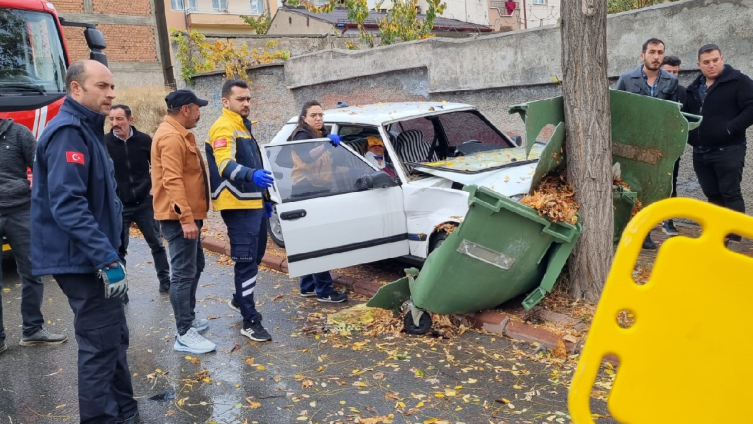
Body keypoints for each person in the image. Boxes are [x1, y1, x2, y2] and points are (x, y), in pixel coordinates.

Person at [31, 60, 138, 424]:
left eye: (112, 87)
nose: (111, 94)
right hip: (84, 262)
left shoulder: (89, 130)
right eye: (102, 86)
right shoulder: (68, 132)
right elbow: (68, 205)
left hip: (96, 257)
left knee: (113, 341)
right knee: (100, 348)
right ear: (76, 88)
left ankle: (127, 413)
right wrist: (106, 259)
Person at [206, 80, 273, 342]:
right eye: (240, 99)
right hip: (237, 205)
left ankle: (239, 299)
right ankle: (249, 320)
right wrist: (252, 175)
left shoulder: (242, 126)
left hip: (252, 203)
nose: (246, 103)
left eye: (248, 99)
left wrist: (264, 198)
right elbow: (225, 165)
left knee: (255, 257)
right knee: (246, 262)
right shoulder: (224, 126)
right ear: (226, 102)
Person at [152, 89, 215, 354]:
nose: (200, 112)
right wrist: (186, 219)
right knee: (182, 273)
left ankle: (188, 317)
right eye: (197, 108)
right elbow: (172, 180)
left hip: (187, 216)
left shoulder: (177, 133)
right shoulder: (170, 136)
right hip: (179, 218)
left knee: (194, 265)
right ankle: (184, 333)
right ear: (186, 109)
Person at [0, 118, 67, 355]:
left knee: (32, 272)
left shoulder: (19, 133)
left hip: (20, 210)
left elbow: (43, 168)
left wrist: (40, 204)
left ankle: (32, 330)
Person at [683, 44, 753, 252]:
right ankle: (718, 236)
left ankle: (735, 240)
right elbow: (686, 115)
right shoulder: (694, 88)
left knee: (730, 194)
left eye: (715, 60)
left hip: (729, 150)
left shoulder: (739, 81)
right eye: (706, 62)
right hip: (701, 152)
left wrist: (730, 128)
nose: (711, 65)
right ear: (699, 65)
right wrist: (689, 136)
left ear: (722, 59)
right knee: (713, 195)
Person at [615, 37, 680, 250]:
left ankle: (645, 233)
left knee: (652, 189)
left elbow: (673, 114)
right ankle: (624, 230)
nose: (656, 56)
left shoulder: (671, 81)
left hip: (656, 146)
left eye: (660, 52)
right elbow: (618, 110)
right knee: (629, 187)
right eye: (652, 52)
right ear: (643, 55)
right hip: (630, 145)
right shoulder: (626, 79)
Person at [106, 104, 171, 297]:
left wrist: (153, 187)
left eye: (119, 119)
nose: (115, 124)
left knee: (157, 245)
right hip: (119, 205)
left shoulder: (144, 140)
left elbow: (158, 165)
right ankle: (122, 291)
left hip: (144, 203)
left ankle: (166, 283)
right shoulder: (104, 142)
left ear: (130, 120)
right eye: (111, 119)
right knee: (118, 251)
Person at [289, 101, 348, 303]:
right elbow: (306, 157)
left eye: (321, 115)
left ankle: (308, 286)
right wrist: (325, 144)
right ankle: (324, 290)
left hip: (318, 190)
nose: (318, 118)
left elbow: (331, 165)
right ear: (304, 118)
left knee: (310, 242)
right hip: (305, 190)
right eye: (313, 115)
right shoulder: (301, 135)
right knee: (318, 242)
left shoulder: (320, 135)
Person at [660, 55, 687, 236]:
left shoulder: (683, 92)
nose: (672, 75)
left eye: (675, 72)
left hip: (671, 148)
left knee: (670, 184)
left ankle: (668, 221)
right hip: (648, 145)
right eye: (668, 72)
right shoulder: (651, 89)